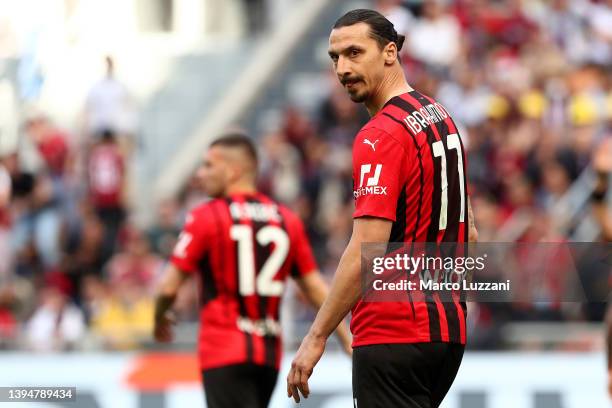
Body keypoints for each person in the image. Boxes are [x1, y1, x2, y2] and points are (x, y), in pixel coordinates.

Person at [287, 9, 477, 408]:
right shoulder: (441, 118)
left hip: (394, 331)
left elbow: (365, 249)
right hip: (447, 330)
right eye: (335, 57)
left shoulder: (380, 134)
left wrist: (317, 335)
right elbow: (469, 233)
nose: (342, 68)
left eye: (355, 53)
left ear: (390, 52)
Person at [153, 134, 351, 408]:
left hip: (223, 351)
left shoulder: (206, 217)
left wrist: (158, 317)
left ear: (233, 170)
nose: (201, 174)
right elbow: (316, 287)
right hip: (267, 357)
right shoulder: (285, 219)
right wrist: (346, 338)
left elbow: (167, 287)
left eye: (209, 165)